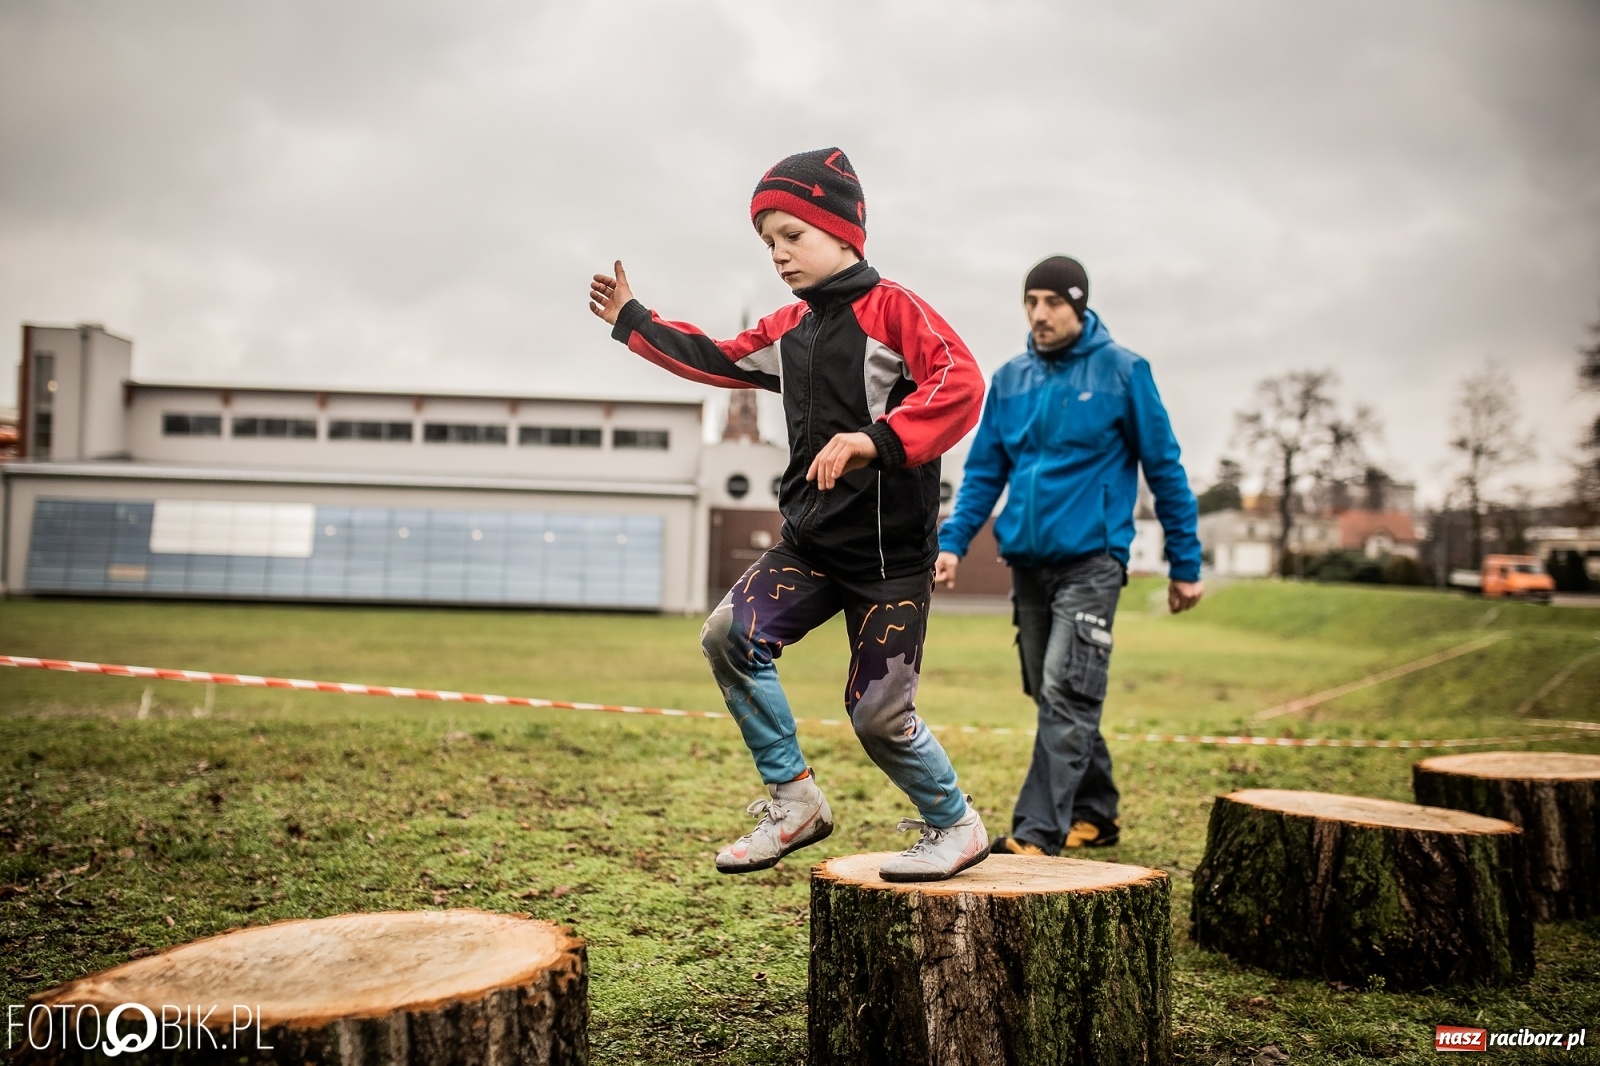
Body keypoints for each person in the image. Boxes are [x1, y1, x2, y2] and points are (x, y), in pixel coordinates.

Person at [588, 148, 991, 882]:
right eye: (767, 240)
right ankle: (795, 800)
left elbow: (961, 383)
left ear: (844, 234)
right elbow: (718, 356)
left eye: (791, 235)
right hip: (811, 545)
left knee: (877, 718)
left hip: (888, 560)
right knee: (729, 636)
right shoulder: (789, 328)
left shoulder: (896, 311)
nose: (777, 254)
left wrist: (875, 441)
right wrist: (634, 321)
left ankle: (955, 824)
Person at [936, 255, 1203, 855]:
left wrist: (1186, 565)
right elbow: (983, 473)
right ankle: (1097, 813)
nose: (1039, 314)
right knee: (1054, 691)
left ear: (1078, 305)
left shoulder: (1124, 372)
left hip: (1093, 561)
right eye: (1031, 301)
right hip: (1028, 562)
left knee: (1066, 690)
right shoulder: (1010, 380)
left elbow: (1165, 470)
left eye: (1053, 302)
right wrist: (952, 542)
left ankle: (1037, 833)